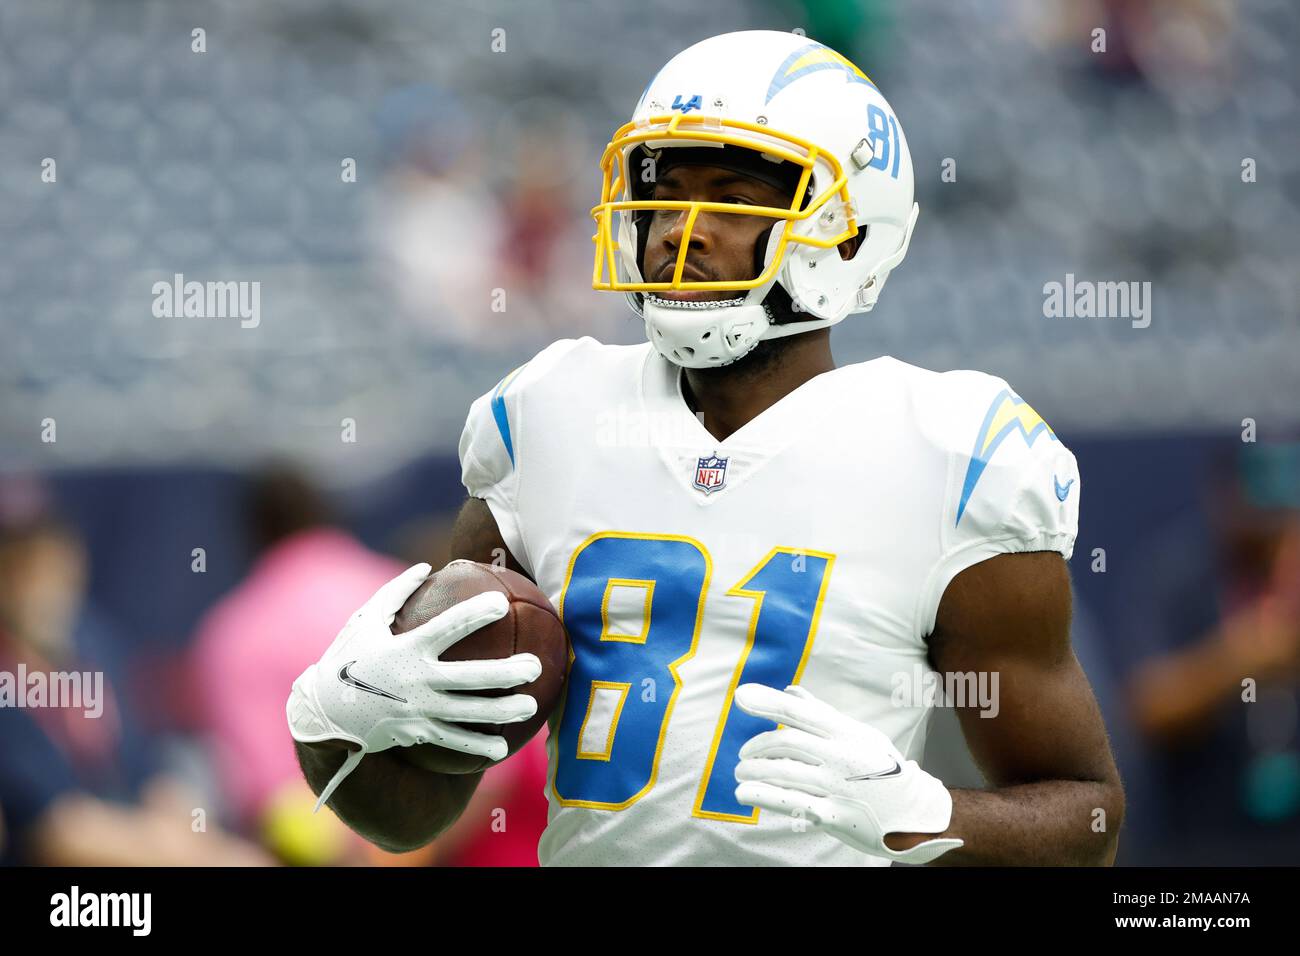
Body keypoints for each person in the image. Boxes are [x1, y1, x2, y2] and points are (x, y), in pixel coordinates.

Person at [289, 30, 1123, 866]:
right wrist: (339, 716)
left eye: (731, 197)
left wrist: (923, 813)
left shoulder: (951, 456)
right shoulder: (546, 417)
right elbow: (407, 822)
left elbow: (1088, 817)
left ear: (845, 230)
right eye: (666, 194)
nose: (678, 233)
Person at [0, 499, 268, 866]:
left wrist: (195, 833)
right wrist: (184, 855)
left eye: (56, 570)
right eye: (25, 572)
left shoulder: (94, 644)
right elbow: (56, 832)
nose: (45, 589)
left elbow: (149, 772)